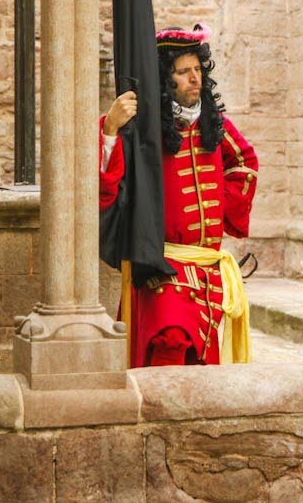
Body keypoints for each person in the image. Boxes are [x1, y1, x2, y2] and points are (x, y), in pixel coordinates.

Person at [99, 24, 258, 367]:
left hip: (206, 267)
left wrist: (223, 205)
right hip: (162, 262)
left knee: (199, 359)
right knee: (170, 339)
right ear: (164, 77)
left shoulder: (213, 124)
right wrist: (111, 127)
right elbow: (106, 180)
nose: (194, 78)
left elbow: (245, 160)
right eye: (183, 72)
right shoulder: (142, 127)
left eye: (197, 70)